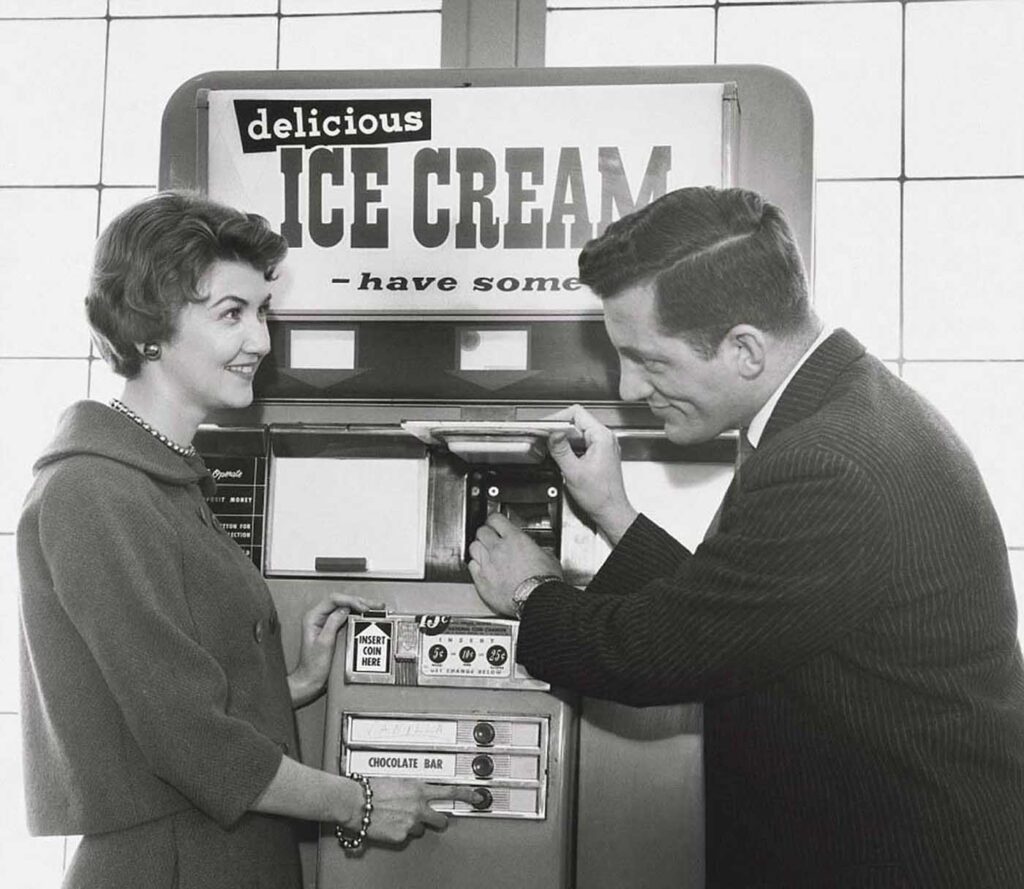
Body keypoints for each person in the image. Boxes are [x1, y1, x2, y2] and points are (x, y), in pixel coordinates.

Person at [468, 186, 1024, 887]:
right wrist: (614, 510)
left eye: (650, 360)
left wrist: (530, 588)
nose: (630, 388)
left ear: (745, 350)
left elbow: (658, 653)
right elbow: (735, 614)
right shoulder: (843, 412)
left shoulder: (829, 465)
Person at [17, 191, 478, 889]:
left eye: (263, 312)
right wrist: (362, 801)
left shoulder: (156, 478)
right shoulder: (97, 490)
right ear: (149, 328)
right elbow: (187, 740)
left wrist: (290, 683)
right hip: (173, 862)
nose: (261, 340)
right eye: (232, 314)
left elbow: (157, 700)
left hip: (215, 852)